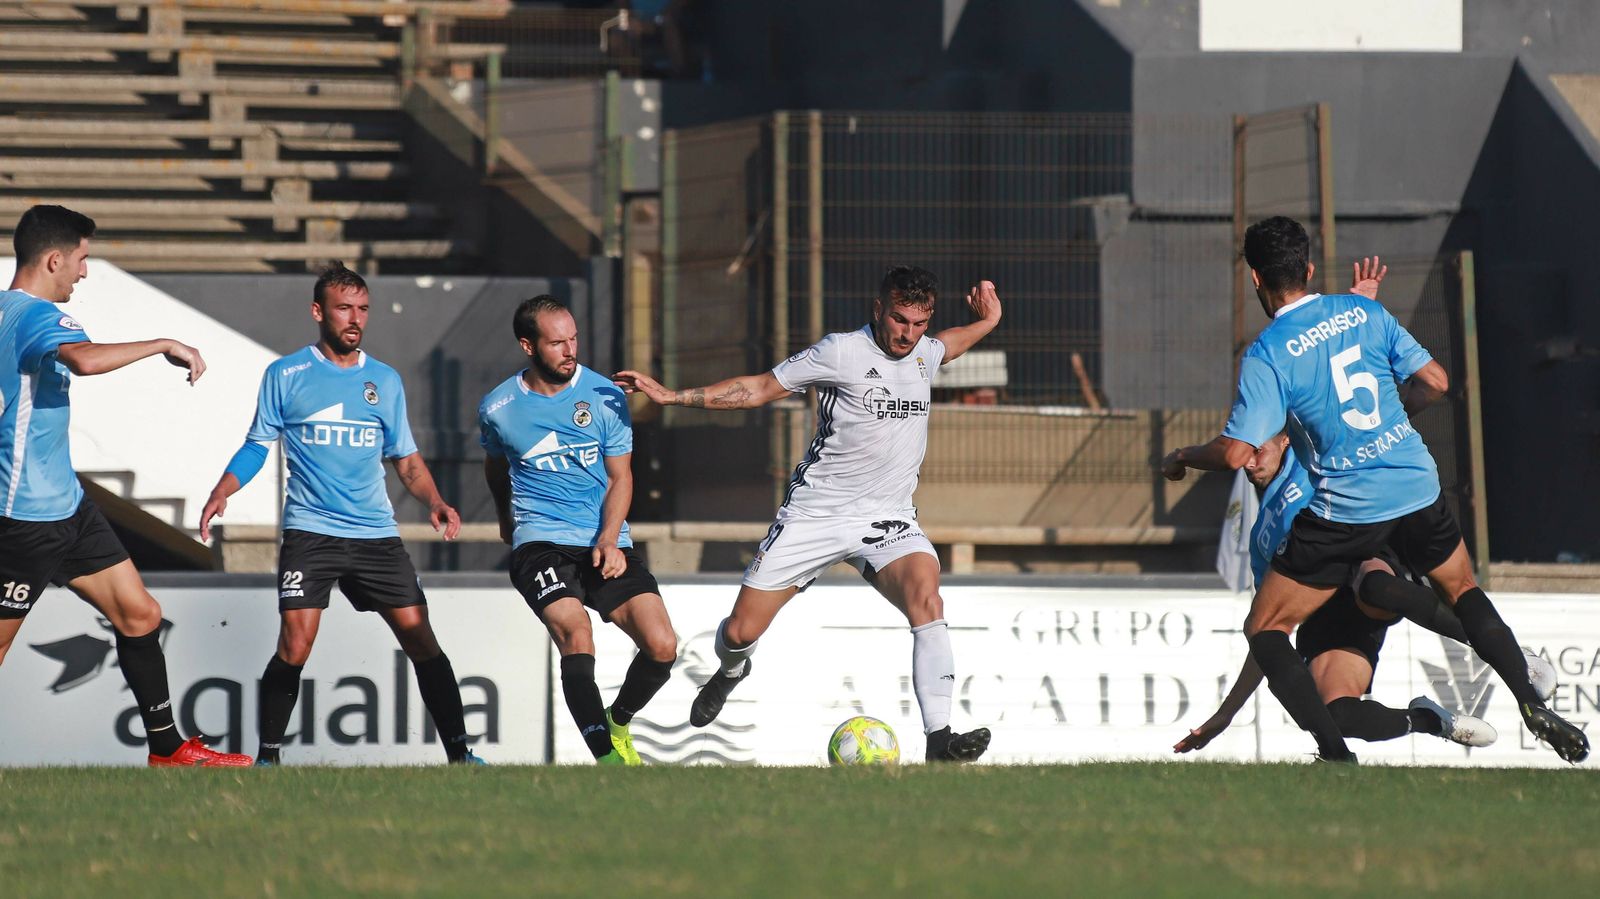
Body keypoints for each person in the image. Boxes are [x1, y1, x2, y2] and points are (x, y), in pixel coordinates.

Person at [1161, 218, 1587, 764]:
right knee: (1462, 588)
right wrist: (1390, 416)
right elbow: (1436, 382)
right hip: (1414, 480)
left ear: (1254, 279)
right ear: (1310, 269)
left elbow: (1234, 452)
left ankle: (1335, 757)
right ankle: (1529, 701)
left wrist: (1182, 458)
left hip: (1351, 508)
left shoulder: (1269, 353)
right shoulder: (1362, 311)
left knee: (1265, 626)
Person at [614, 266, 1000, 762]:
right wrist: (673, 396)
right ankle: (732, 670)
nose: (908, 334)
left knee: (928, 599)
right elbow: (757, 388)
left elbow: (948, 343)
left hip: (888, 518)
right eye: (900, 320)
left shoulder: (925, 352)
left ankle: (939, 739)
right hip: (815, 516)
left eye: (919, 323)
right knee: (739, 632)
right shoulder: (839, 351)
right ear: (878, 309)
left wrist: (988, 322)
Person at [200, 264, 481, 766]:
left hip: (375, 534)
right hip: (311, 532)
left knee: (420, 635)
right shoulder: (286, 374)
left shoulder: (385, 381)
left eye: (363, 309)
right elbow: (256, 445)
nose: (355, 319)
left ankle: (461, 757)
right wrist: (224, 489)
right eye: (344, 308)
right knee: (295, 643)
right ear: (318, 312)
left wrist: (435, 500)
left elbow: (407, 461)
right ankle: (267, 759)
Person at [0, 204, 251, 766]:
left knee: (139, 615)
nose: (84, 273)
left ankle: (167, 750)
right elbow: (84, 361)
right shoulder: (37, 315)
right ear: (55, 259)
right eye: (83, 260)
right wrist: (163, 344)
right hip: (24, 519)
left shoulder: (3, 313)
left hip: (67, 507)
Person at [1176, 430, 1554, 756]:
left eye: (1257, 450)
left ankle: (1513, 655)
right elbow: (1267, 630)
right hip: (1326, 614)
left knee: (1377, 586)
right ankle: (1428, 720)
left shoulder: (1312, 460)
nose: (1249, 463)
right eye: (1243, 456)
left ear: (1285, 439)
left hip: (1362, 564)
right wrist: (1225, 714)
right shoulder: (1261, 537)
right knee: (1335, 715)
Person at [479, 296, 678, 766]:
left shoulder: (605, 396)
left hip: (603, 540)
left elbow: (620, 477)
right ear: (528, 346)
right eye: (556, 343)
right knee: (576, 631)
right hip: (540, 543)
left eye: (573, 339)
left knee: (662, 645)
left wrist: (609, 538)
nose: (570, 351)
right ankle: (608, 762)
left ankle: (619, 720)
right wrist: (506, 518)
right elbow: (495, 467)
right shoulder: (499, 408)